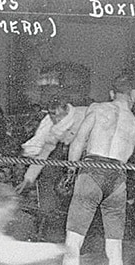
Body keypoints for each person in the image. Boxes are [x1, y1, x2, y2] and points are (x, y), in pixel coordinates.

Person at [60, 75, 135, 265]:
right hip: (118, 180)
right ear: (134, 96)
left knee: (74, 242)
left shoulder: (97, 109)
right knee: (114, 249)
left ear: (112, 94)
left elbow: (78, 141)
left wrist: (70, 172)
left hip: (91, 172)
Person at [17, 97, 89, 241]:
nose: (54, 120)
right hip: (68, 156)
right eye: (51, 116)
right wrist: (28, 178)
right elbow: (44, 152)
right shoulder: (52, 125)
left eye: (57, 116)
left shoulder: (84, 116)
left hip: (91, 154)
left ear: (67, 111)